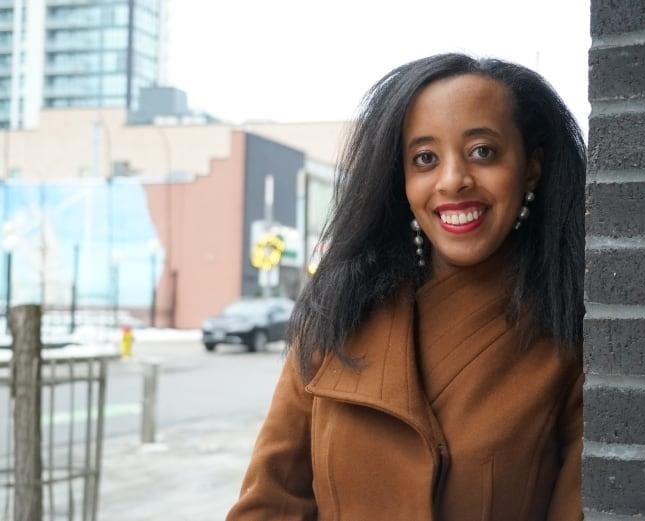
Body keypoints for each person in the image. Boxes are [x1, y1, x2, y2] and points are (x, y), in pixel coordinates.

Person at [226, 53, 585, 521]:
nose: (452, 180)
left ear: (531, 168)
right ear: (401, 179)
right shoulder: (336, 315)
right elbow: (267, 506)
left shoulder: (571, 340)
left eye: (483, 151)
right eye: (425, 159)